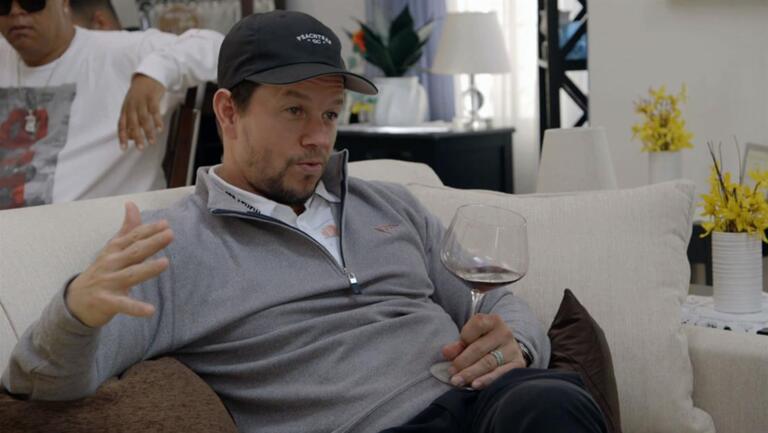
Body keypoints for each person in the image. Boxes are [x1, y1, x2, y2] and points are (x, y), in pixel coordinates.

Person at [1, 11, 607, 433]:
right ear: (227, 112)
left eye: (330, 113)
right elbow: (41, 382)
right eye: (294, 111)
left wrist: (516, 344)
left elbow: (495, 299)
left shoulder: (389, 204)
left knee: (553, 399)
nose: (319, 137)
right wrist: (76, 311)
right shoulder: (171, 245)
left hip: (491, 407)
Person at [0, 0, 222, 209]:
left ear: (63, 2)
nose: (16, 12)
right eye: (3, 4)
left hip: (96, 227)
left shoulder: (121, 51)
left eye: (32, 2)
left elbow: (216, 46)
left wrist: (154, 73)